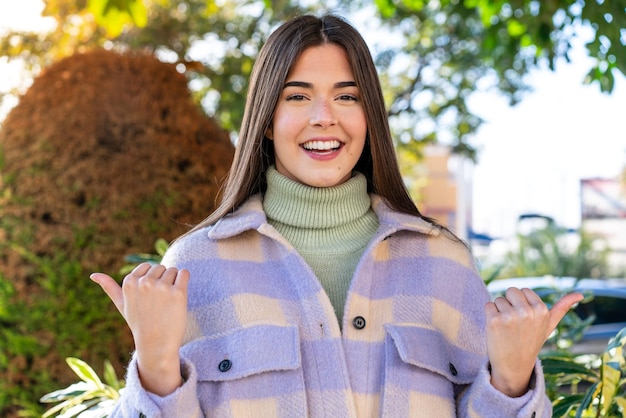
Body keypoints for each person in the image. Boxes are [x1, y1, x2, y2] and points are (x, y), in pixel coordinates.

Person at [91, 13, 583, 417]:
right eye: (298, 96)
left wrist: (513, 380)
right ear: (265, 120)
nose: (323, 116)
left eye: (347, 97)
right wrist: (155, 365)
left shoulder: (444, 263)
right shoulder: (196, 266)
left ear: (370, 117)